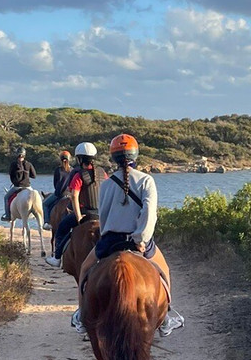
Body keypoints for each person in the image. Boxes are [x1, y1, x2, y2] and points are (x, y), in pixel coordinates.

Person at [71, 133, 184, 337]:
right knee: (164, 270)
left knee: (85, 269)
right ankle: (166, 316)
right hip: (138, 241)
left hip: (110, 241)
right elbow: (149, 213)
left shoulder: (106, 184)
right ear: (135, 155)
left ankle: (81, 315)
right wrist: (141, 239)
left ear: (114, 157)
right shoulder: (146, 180)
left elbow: (103, 215)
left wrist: (108, 233)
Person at [46, 142, 98, 266]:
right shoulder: (102, 173)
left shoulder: (79, 174)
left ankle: (57, 258)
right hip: (101, 213)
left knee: (61, 229)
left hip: (85, 213)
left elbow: (74, 196)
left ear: (79, 159)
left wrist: (78, 216)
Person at [1, 147, 37, 221]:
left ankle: (7, 216)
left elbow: (11, 175)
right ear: (24, 155)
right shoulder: (29, 164)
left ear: (17, 154)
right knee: (36, 197)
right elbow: (34, 176)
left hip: (17, 187)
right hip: (28, 187)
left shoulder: (14, 164)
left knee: (6, 198)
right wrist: (26, 174)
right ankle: (35, 213)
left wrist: (15, 181)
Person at [43, 149, 72, 223]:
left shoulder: (58, 170)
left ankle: (47, 222)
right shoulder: (72, 170)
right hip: (70, 194)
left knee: (45, 204)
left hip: (59, 194)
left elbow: (55, 184)